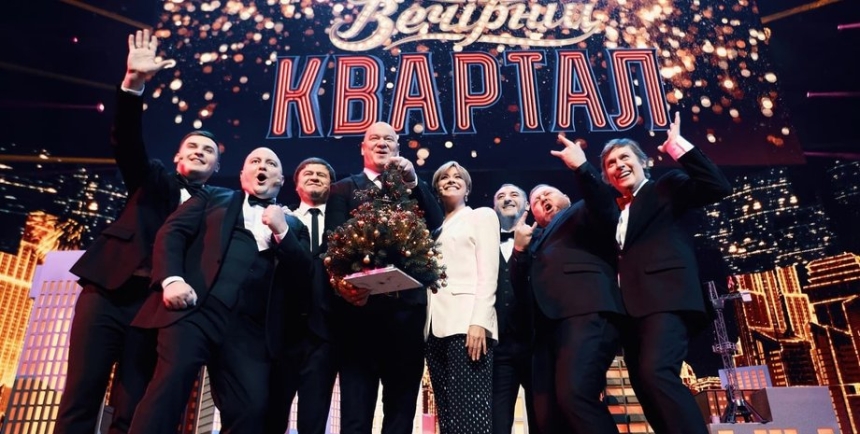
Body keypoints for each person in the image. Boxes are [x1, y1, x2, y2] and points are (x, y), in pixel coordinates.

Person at [55, 29, 219, 434]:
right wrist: (133, 84)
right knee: (81, 396)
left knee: (132, 407)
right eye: (193, 147)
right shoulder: (153, 179)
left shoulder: (216, 207)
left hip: (155, 308)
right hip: (107, 293)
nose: (199, 152)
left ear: (216, 167)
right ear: (178, 157)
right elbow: (127, 141)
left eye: (208, 151)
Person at [127, 147, 312, 434]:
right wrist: (172, 280)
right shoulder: (211, 197)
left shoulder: (295, 226)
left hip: (250, 331)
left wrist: (282, 231)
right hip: (197, 312)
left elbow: (303, 276)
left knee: (250, 409)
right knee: (168, 390)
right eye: (255, 161)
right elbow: (172, 233)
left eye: (271, 163)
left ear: (280, 179)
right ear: (242, 174)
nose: (262, 166)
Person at [601, 113, 731, 434]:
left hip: (666, 299)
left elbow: (716, 186)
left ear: (642, 162)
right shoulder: (614, 213)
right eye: (611, 163)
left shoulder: (666, 187)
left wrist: (677, 146)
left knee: (656, 372)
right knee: (646, 387)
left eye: (625, 157)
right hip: (630, 312)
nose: (619, 165)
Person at [325, 121, 444, 434]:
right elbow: (332, 245)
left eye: (389, 139)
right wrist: (343, 284)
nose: (381, 143)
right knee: (355, 415)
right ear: (363, 148)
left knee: (400, 415)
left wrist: (413, 181)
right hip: (359, 316)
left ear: (398, 149)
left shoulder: (410, 187)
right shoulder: (343, 189)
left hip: (406, 316)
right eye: (374, 138)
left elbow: (436, 223)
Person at [510, 135, 622, 434]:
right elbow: (519, 290)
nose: (542, 200)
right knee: (546, 415)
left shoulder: (583, 210)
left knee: (576, 395)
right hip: (545, 331)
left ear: (566, 197)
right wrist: (519, 251)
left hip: (584, 313)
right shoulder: (532, 241)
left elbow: (604, 204)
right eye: (536, 201)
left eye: (547, 194)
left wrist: (582, 168)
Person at [425, 161, 499, 433]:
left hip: (467, 326)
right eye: (444, 177)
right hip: (434, 327)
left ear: (467, 188)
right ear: (437, 188)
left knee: (470, 414)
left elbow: (488, 272)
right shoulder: (434, 229)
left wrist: (480, 321)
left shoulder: (481, 216)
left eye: (458, 177)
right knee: (447, 417)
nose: (451, 180)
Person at [266, 157, 338, 434]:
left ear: (332, 186)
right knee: (272, 416)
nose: (315, 177)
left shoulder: (345, 226)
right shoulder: (280, 219)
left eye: (322, 174)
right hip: (283, 331)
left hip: (325, 333)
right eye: (308, 173)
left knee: (314, 420)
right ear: (295, 184)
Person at [491, 184, 539, 434]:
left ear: (527, 205)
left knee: (543, 420)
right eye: (501, 196)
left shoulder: (544, 237)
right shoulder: (485, 243)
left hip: (537, 344)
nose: (507, 199)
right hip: (499, 347)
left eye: (513, 195)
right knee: (497, 424)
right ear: (494, 207)